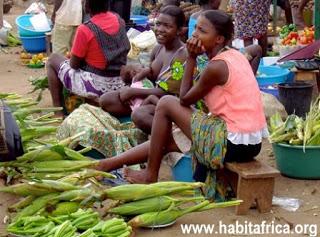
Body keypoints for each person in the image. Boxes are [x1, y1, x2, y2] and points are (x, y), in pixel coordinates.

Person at [97, 10, 268, 200]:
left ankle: (150, 176)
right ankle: (107, 164)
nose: (195, 35)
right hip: (251, 144)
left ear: (219, 39)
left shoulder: (216, 66)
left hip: (232, 143)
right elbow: (255, 51)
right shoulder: (235, 55)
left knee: (166, 103)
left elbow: (184, 99)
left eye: (202, 31)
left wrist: (192, 58)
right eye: (195, 29)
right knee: (171, 139)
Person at [100, 5, 187, 134]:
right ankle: (142, 113)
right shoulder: (159, 48)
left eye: (167, 26)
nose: (160, 30)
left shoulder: (181, 55)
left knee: (140, 116)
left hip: (168, 103)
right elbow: (151, 77)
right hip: (150, 97)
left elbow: (167, 93)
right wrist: (135, 73)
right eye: (158, 24)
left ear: (180, 31)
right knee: (106, 100)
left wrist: (133, 92)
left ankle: (172, 136)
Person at [46, 0, 130, 116]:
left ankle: (58, 111)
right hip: (120, 80)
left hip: (97, 85)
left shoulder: (85, 29)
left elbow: (74, 65)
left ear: (87, 7)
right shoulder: (119, 20)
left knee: (52, 60)